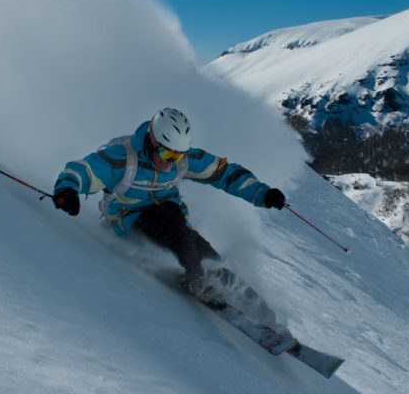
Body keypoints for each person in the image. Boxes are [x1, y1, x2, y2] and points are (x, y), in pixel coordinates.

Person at [52, 108, 285, 302]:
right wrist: (67, 190)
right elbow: (84, 170)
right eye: (166, 153)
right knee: (170, 216)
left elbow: (224, 173)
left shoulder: (181, 161)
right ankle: (196, 278)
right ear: (152, 142)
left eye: (177, 156)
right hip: (130, 222)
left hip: (174, 228)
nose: (169, 162)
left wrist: (263, 194)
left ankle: (265, 317)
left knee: (209, 257)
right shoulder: (123, 159)